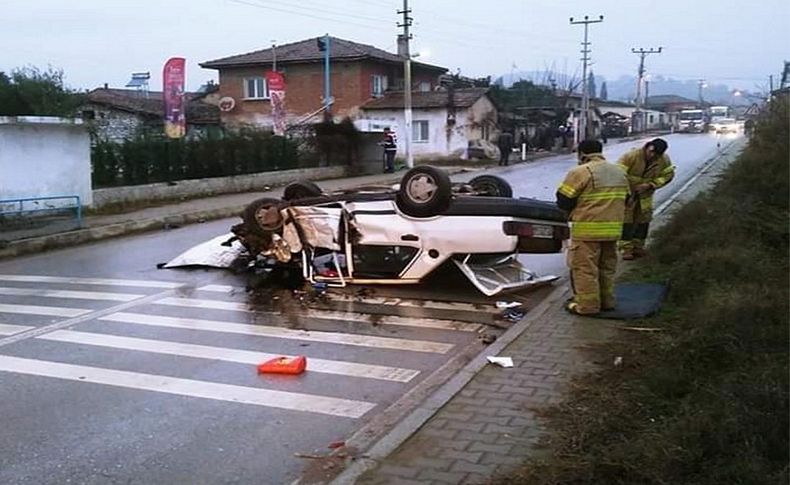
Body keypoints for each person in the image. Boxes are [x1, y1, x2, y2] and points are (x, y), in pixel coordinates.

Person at [556, 139, 630, 315]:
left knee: (585, 269)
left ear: (581, 154)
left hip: (587, 231)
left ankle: (587, 306)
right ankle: (607, 302)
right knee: (607, 268)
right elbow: (627, 199)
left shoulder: (580, 172)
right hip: (613, 230)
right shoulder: (619, 171)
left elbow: (564, 200)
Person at [617, 138, 675, 260]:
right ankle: (626, 249)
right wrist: (630, 188)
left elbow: (667, 175)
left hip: (646, 195)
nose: (652, 156)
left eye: (656, 155)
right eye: (651, 152)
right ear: (648, 148)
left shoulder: (663, 160)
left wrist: (650, 185)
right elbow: (618, 174)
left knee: (643, 222)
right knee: (627, 222)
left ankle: (638, 247)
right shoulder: (631, 156)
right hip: (628, 194)